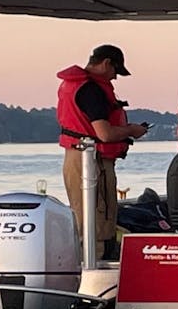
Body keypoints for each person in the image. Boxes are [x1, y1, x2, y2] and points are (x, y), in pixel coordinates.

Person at [56, 44, 150, 258]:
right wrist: (132, 131)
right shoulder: (91, 90)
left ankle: (96, 261)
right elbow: (105, 134)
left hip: (79, 156)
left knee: (91, 217)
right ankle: (95, 270)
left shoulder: (73, 86)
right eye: (116, 71)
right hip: (90, 160)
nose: (115, 78)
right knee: (95, 220)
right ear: (107, 63)